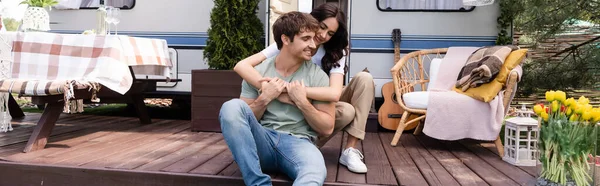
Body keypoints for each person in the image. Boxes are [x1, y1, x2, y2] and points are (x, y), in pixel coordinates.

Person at [233, 3, 373, 174]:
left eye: (330, 33)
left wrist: (290, 92)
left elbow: (334, 93)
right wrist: (268, 88)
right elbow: (241, 66)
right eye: (322, 27)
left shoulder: (336, 52)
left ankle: (349, 150)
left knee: (363, 82)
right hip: (296, 105)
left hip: (320, 98)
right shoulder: (292, 40)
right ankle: (301, 147)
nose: (322, 35)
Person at [220, 11, 334, 186]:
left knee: (314, 172)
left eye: (313, 39)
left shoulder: (318, 76)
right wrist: (265, 98)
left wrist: (302, 102)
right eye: (305, 39)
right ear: (286, 39)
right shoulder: (258, 72)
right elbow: (242, 119)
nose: (313, 45)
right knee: (231, 107)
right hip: (262, 139)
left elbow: (327, 128)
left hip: (299, 143)